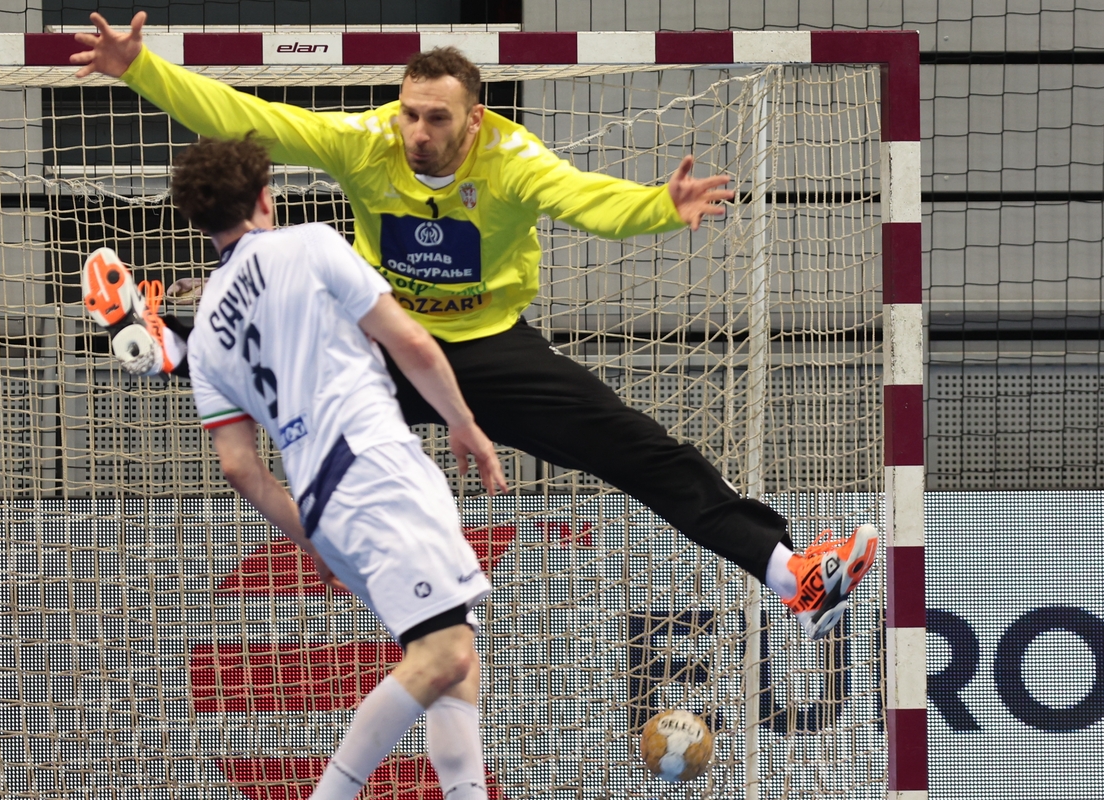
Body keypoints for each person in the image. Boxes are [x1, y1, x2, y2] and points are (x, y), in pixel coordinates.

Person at [72, 12, 878, 640]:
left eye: (435, 119)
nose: (417, 131)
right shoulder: (367, 143)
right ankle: (171, 342)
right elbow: (246, 113)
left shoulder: (513, 159)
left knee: (638, 449)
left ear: (474, 119)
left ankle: (792, 576)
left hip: (492, 347)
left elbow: (584, 200)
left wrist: (657, 209)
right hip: (386, 342)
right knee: (286, 366)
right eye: (409, 113)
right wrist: (138, 68)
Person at [143, 133, 507, 800]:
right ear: (263, 197)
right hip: (374, 467)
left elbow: (239, 468)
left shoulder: (208, 336)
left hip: (324, 504)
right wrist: (464, 423)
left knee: (458, 662)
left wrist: (312, 538)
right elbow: (412, 343)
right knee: (446, 653)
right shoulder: (308, 244)